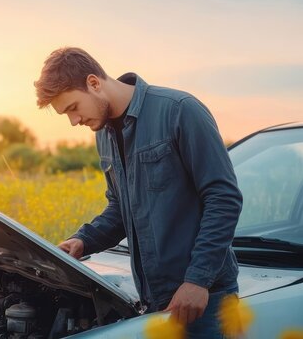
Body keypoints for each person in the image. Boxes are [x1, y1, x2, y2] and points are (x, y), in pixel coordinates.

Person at [34, 47, 243, 337]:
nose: (74, 121)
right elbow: (121, 208)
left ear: (94, 83)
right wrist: (83, 240)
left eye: (73, 108)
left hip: (205, 301)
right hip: (156, 303)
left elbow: (223, 198)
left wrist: (198, 281)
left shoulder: (179, 110)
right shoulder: (104, 135)